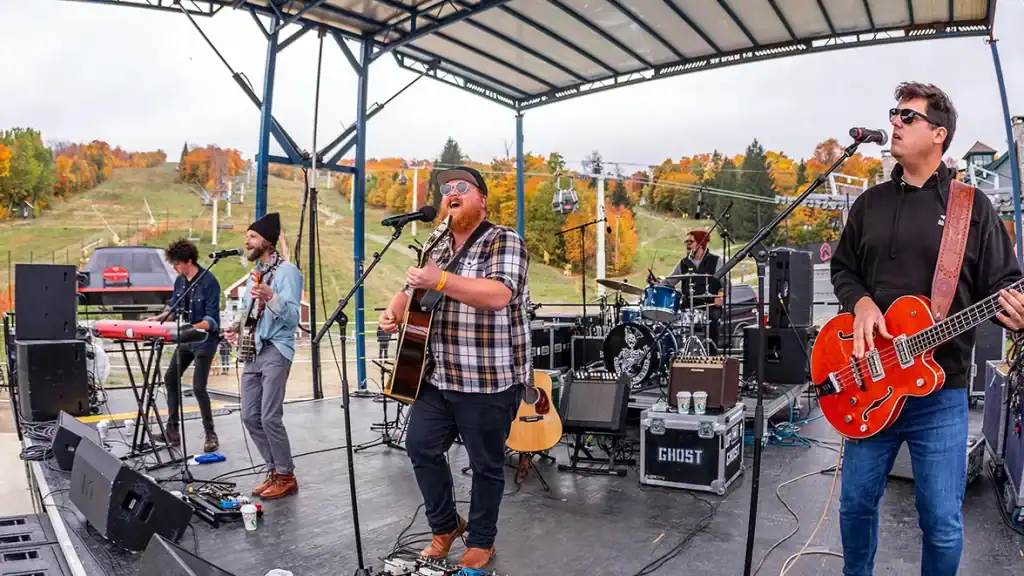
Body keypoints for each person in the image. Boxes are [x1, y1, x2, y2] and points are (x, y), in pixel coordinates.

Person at [830, 81, 1024, 576]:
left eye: (907, 116)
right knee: (854, 506)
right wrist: (862, 305)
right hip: (870, 381)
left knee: (941, 522)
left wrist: (1019, 313)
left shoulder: (971, 208)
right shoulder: (869, 204)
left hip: (941, 394)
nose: (894, 121)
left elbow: (1008, 284)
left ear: (939, 134)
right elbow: (844, 270)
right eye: (893, 113)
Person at [378, 166, 530, 570]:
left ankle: (481, 540)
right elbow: (414, 286)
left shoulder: (504, 239)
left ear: (482, 198)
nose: (452, 192)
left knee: (486, 465)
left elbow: (499, 294)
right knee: (420, 448)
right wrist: (396, 308)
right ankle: (445, 526)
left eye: (462, 187)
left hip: (488, 379)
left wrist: (441, 279)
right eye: (446, 189)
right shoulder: (437, 242)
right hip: (437, 374)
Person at [225, 212, 303, 500]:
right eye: (247, 237)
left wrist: (272, 296)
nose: (247, 241)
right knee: (249, 415)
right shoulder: (255, 274)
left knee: (270, 415)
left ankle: (286, 474)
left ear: (267, 242)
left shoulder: (288, 273)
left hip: (276, 349)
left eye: (253, 236)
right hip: (253, 349)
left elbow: (293, 317)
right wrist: (236, 326)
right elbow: (248, 311)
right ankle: (274, 470)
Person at [146, 239, 221, 453]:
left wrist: (189, 328)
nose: (175, 267)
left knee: (198, 387)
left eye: (177, 263)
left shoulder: (209, 281)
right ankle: (172, 431)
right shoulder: (180, 281)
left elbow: (212, 320)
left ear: (188, 260)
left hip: (205, 340)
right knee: (170, 378)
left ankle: (210, 434)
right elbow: (174, 309)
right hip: (186, 339)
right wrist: (158, 319)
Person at [660, 229, 725, 349]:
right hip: (688, 307)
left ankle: (711, 355)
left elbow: (726, 286)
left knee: (713, 322)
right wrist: (656, 283)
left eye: (690, 241)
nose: (687, 245)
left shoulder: (716, 261)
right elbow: (670, 282)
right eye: (686, 242)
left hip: (709, 307)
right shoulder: (683, 263)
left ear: (701, 243)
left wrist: (721, 296)